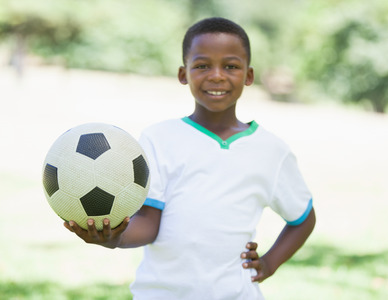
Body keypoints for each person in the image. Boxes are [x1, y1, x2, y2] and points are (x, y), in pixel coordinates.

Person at [64, 17, 316, 299]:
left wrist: (269, 263)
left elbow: (302, 218)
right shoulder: (159, 138)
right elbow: (149, 223)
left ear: (249, 75)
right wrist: (114, 238)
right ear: (184, 74)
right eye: (202, 65)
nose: (217, 75)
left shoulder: (271, 150)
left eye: (231, 66)